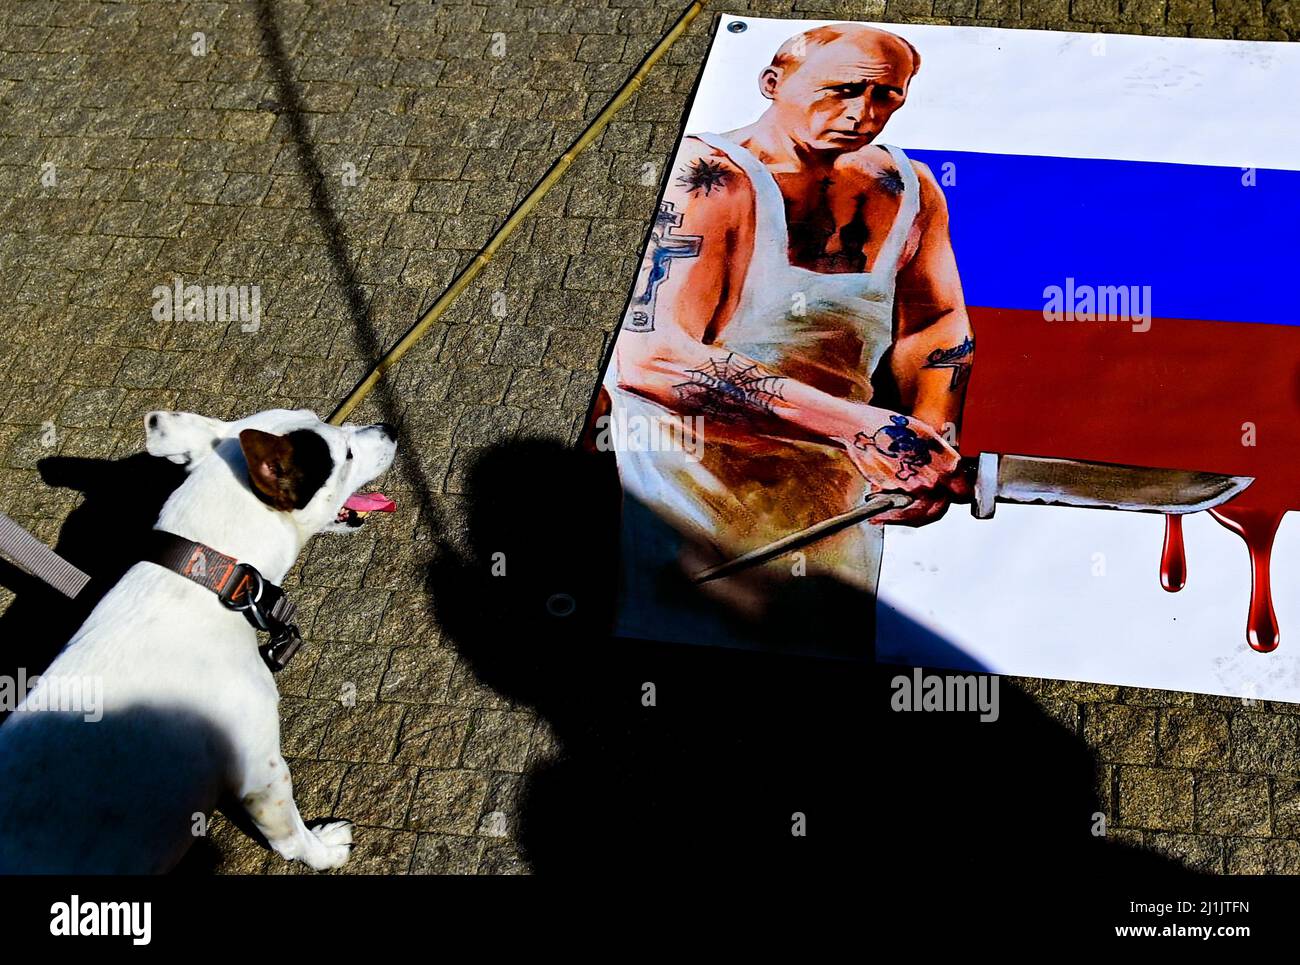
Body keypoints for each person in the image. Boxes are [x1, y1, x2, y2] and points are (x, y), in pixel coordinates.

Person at [601, 23, 973, 649]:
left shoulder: (907, 190)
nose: (861, 114)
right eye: (840, 91)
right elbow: (650, 356)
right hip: (689, 495)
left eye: (886, 97)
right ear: (773, 84)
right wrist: (859, 425)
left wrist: (926, 445)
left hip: (838, 501)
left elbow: (935, 325)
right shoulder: (708, 177)